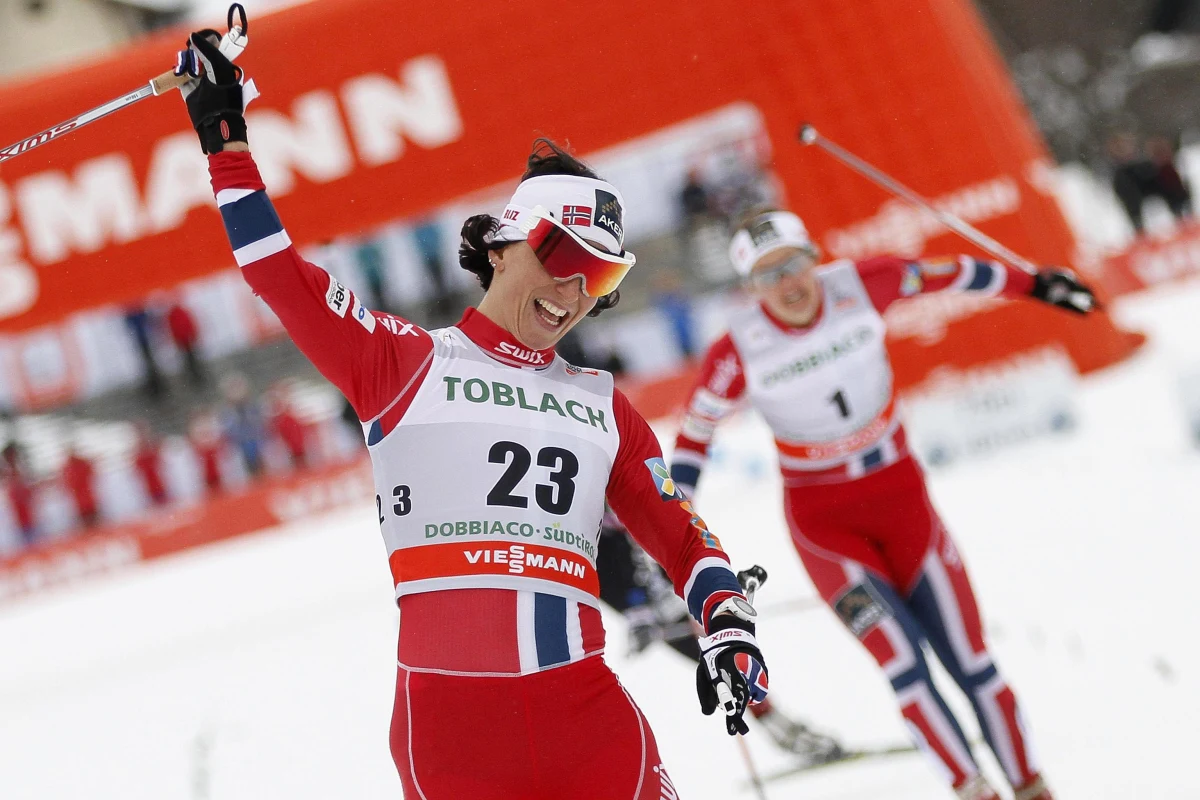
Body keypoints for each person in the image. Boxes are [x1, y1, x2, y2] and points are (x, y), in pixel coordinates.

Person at [176, 33, 769, 799]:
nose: (576, 293)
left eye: (603, 276)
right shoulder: (401, 362)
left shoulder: (602, 405)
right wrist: (224, 133)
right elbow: (276, 273)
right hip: (452, 739)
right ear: (504, 244)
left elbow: (682, 536)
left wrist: (727, 616)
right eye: (565, 260)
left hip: (588, 725)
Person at [670, 208, 1097, 800]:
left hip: (904, 503)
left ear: (815, 257)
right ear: (751, 288)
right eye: (768, 276)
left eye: (794, 264)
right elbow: (692, 443)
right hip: (827, 529)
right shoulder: (735, 350)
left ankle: (1033, 788)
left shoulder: (866, 282)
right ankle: (977, 793)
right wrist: (672, 530)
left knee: (975, 664)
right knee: (905, 671)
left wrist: (1037, 284)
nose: (788, 284)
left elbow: (955, 273)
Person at [596, 509, 844, 764]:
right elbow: (608, 574)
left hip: (684, 596)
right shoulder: (593, 529)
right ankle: (785, 734)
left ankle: (787, 732)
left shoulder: (615, 501)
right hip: (663, 614)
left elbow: (662, 533)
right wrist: (638, 615)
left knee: (733, 662)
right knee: (726, 671)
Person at [62, 447, 99, 529]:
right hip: (83, 503)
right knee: (92, 525)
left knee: (93, 525)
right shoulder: (75, 466)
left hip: (86, 502)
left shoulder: (70, 467)